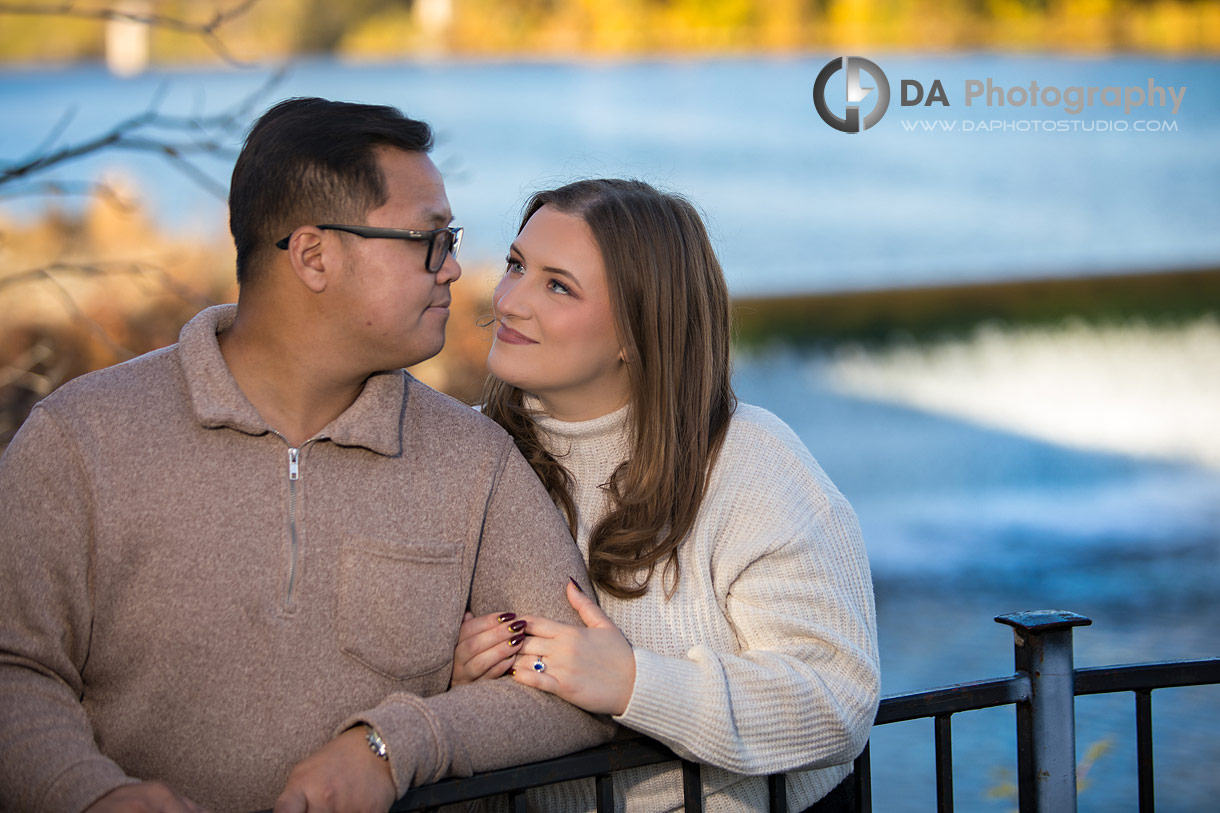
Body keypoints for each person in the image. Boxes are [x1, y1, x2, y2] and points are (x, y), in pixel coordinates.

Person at [0, 98, 613, 813]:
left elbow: (578, 689)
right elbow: (15, 669)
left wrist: (396, 744)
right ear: (314, 255)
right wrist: (92, 795)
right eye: (429, 240)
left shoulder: (477, 460)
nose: (453, 270)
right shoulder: (79, 438)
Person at [452, 178, 880, 811]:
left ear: (637, 329)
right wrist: (454, 676)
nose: (509, 300)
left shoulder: (750, 462)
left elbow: (835, 696)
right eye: (516, 265)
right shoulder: (463, 453)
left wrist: (635, 684)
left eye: (557, 285)